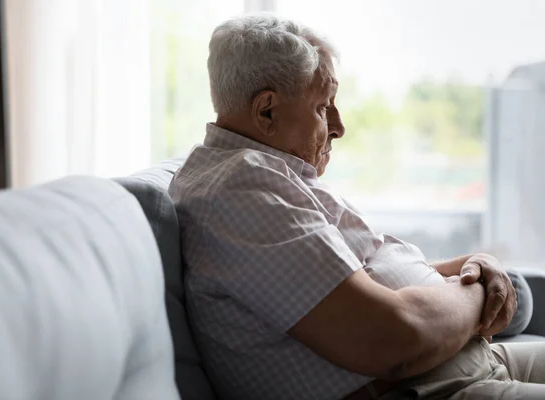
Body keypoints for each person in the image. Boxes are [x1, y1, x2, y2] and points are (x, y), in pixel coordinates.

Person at [168, 13, 545, 400]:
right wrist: (478, 295)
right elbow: (393, 338)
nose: (339, 126)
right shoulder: (241, 192)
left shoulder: (268, 175)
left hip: (460, 364)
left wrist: (470, 265)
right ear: (266, 111)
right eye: (322, 106)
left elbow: (354, 280)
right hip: (432, 387)